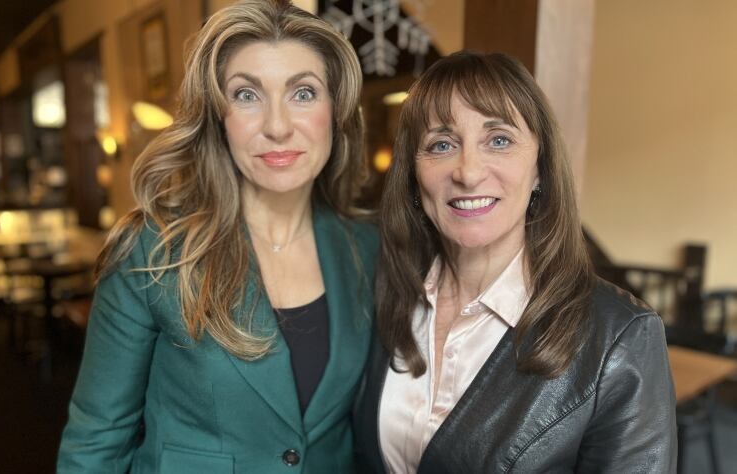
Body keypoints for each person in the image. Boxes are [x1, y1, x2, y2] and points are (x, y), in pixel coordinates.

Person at [57, 1, 378, 472]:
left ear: (336, 109)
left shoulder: (368, 248)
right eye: (247, 95)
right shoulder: (151, 249)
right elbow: (95, 445)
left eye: (303, 93)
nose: (277, 126)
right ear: (218, 118)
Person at [353, 51, 676, 473]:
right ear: (414, 175)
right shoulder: (384, 288)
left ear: (540, 168)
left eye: (499, 140)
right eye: (442, 144)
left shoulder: (621, 337)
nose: (468, 172)